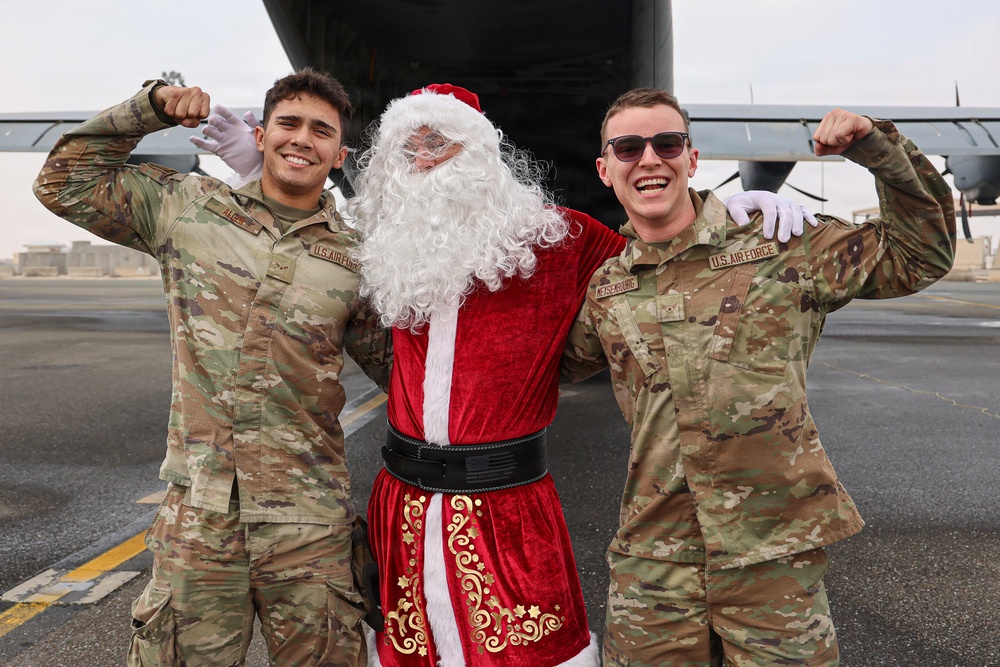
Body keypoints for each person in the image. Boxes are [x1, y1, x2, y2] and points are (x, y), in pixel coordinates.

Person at [199, 83, 814, 667]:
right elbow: (310, 244)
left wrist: (721, 217)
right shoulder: (383, 243)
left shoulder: (557, 236)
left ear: (478, 152)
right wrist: (260, 178)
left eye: (441, 142)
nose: (425, 158)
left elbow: (655, 253)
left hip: (509, 511)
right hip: (404, 509)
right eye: (411, 146)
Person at [560, 88, 956, 666]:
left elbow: (921, 255)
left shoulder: (782, 244)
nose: (648, 159)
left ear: (691, 158)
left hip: (772, 558)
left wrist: (877, 148)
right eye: (628, 148)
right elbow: (534, 365)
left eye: (667, 143)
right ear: (605, 169)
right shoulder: (605, 288)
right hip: (654, 566)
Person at [33, 69, 391, 667]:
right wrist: (150, 109)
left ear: (339, 156)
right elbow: (63, 182)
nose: (302, 139)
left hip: (309, 524)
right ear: (261, 135)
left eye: (321, 131)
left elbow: (403, 373)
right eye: (289, 124)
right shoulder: (188, 209)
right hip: (201, 518)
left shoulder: (357, 260)